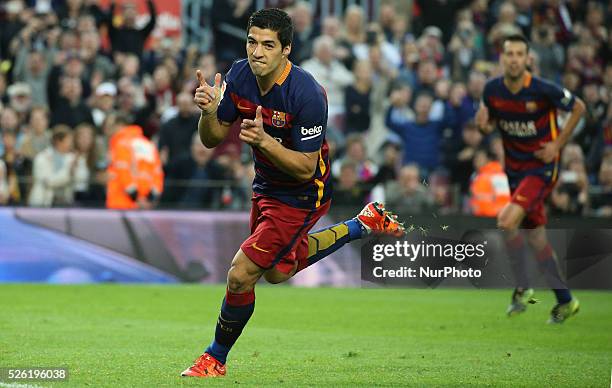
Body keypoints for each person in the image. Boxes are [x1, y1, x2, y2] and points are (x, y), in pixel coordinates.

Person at [181, 8, 405, 378]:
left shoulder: (308, 94)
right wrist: (207, 113)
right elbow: (212, 139)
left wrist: (265, 143)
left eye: (268, 45)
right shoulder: (238, 74)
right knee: (278, 272)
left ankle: (214, 358)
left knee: (241, 275)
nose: (257, 52)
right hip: (266, 186)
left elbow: (304, 167)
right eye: (252, 42)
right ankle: (361, 224)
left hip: (303, 193)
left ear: (286, 49)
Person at [475, 34, 586, 323]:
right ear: (502, 58)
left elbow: (579, 107)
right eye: (509, 53)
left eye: (519, 54)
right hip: (515, 170)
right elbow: (489, 125)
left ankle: (523, 286)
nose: (513, 59)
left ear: (527, 59)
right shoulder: (492, 90)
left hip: (541, 169)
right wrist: (483, 126)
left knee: (506, 221)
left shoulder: (542, 90)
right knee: (536, 239)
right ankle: (566, 301)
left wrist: (557, 145)